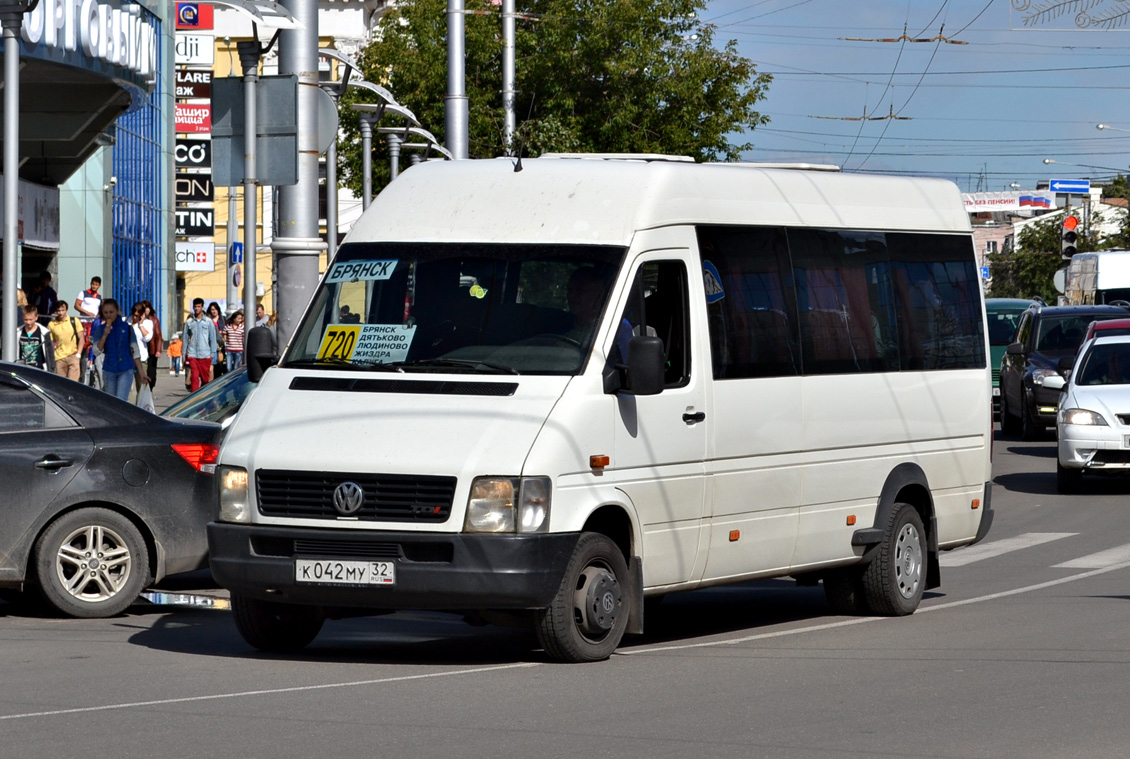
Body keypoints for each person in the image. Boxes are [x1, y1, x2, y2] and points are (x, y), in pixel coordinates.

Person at [93, 299, 145, 401]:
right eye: (106, 312)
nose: (109, 315)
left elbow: (135, 351)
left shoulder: (127, 328)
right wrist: (104, 335)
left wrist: (142, 373)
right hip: (109, 369)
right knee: (111, 402)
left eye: (111, 312)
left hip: (125, 369)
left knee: (121, 400)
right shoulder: (100, 329)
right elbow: (96, 351)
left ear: (117, 311)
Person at [185, 297, 218, 392]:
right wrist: (184, 354)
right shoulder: (189, 322)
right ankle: (194, 397)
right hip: (192, 354)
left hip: (205, 355)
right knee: (194, 377)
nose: (197, 309)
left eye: (199, 306)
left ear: (202, 307)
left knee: (205, 379)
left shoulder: (208, 322)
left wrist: (212, 355)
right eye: (195, 307)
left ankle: (203, 396)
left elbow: (212, 338)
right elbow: (185, 339)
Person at [48, 301, 85, 381]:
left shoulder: (74, 321)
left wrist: (78, 354)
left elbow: (82, 338)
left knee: (73, 384)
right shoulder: (52, 324)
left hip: (73, 355)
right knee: (61, 384)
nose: (61, 313)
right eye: (58, 311)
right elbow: (50, 342)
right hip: (59, 358)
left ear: (67, 310)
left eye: (63, 310)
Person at [75, 276, 102, 384]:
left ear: (99, 286)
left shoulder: (99, 297)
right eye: (93, 284)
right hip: (84, 322)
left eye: (96, 284)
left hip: (94, 323)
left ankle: (91, 368)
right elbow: (76, 305)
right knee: (84, 344)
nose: (94, 286)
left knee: (93, 343)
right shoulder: (83, 293)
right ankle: (81, 370)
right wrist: (87, 313)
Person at [16, 305, 56, 372]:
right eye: (26, 320)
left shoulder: (44, 333)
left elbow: (50, 353)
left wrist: (51, 369)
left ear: (36, 317)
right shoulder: (18, 332)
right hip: (23, 369)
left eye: (30, 319)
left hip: (39, 369)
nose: (28, 322)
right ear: (22, 318)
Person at [130, 302, 152, 394]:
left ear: (142, 315)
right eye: (134, 315)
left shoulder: (148, 323)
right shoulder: (127, 322)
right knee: (129, 389)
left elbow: (147, 338)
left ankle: (141, 407)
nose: (135, 318)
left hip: (141, 358)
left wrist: (141, 324)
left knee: (142, 387)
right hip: (129, 359)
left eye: (137, 316)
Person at [143, 300, 163, 388]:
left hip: (152, 347)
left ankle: (151, 386)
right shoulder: (139, 319)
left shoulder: (154, 320)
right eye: (144, 308)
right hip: (142, 347)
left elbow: (158, 336)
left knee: (151, 370)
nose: (146, 310)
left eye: (147, 308)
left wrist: (158, 350)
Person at [208, 301, 227, 378]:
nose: (214, 311)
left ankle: (219, 377)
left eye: (215, 309)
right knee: (212, 364)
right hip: (211, 345)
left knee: (221, 362)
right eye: (212, 309)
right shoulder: (208, 320)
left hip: (221, 344)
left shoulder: (223, 319)